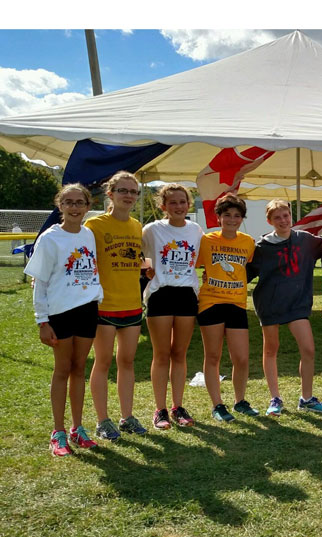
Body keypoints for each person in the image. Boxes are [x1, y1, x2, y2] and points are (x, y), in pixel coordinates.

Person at [25, 184, 103, 455]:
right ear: (60, 206)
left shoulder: (89, 234)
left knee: (79, 369)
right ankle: (58, 432)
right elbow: (40, 282)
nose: (74, 207)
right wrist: (42, 321)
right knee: (62, 369)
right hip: (60, 313)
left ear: (88, 206)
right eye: (68, 202)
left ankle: (77, 428)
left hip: (87, 310)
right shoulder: (50, 238)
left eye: (79, 202)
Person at [247, 200, 322, 414]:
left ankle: (307, 398)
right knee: (271, 349)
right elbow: (244, 274)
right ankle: (275, 399)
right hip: (270, 303)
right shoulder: (262, 247)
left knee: (308, 349)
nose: (283, 220)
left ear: (291, 216)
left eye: (286, 215)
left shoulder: (305, 240)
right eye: (277, 217)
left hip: (297, 304)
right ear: (269, 221)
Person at [84, 171, 146, 440]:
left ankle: (127, 417)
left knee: (127, 361)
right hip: (104, 305)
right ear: (110, 194)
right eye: (123, 190)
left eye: (133, 192)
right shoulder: (94, 225)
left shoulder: (136, 226)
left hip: (132, 304)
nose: (129, 196)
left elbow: (134, 259)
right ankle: (102, 420)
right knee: (103, 361)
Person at [142, 183, 203, 429]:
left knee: (179, 353)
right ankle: (161, 410)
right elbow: (135, 252)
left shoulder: (195, 230)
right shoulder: (152, 229)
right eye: (173, 202)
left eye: (182, 201)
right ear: (163, 206)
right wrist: (146, 269)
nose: (178, 206)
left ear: (189, 204)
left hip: (186, 295)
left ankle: (178, 407)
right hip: (160, 294)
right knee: (162, 354)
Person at [196, 194, 256, 422]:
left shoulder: (248, 242)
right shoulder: (206, 240)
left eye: (237, 216)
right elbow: (194, 264)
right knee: (213, 356)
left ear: (242, 218)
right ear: (219, 217)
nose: (232, 219)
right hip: (211, 302)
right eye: (227, 215)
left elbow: (248, 267)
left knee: (241, 358)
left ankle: (240, 401)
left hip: (237, 304)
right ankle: (217, 405)